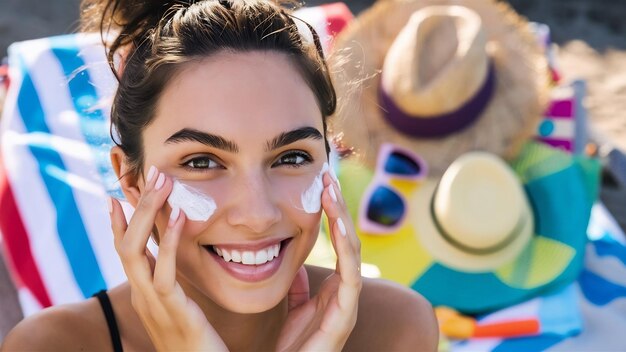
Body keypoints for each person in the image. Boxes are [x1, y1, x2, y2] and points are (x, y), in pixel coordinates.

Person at [0, 0, 438, 350]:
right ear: (130, 180)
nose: (257, 214)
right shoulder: (53, 345)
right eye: (202, 163)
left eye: (290, 157)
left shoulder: (392, 328)